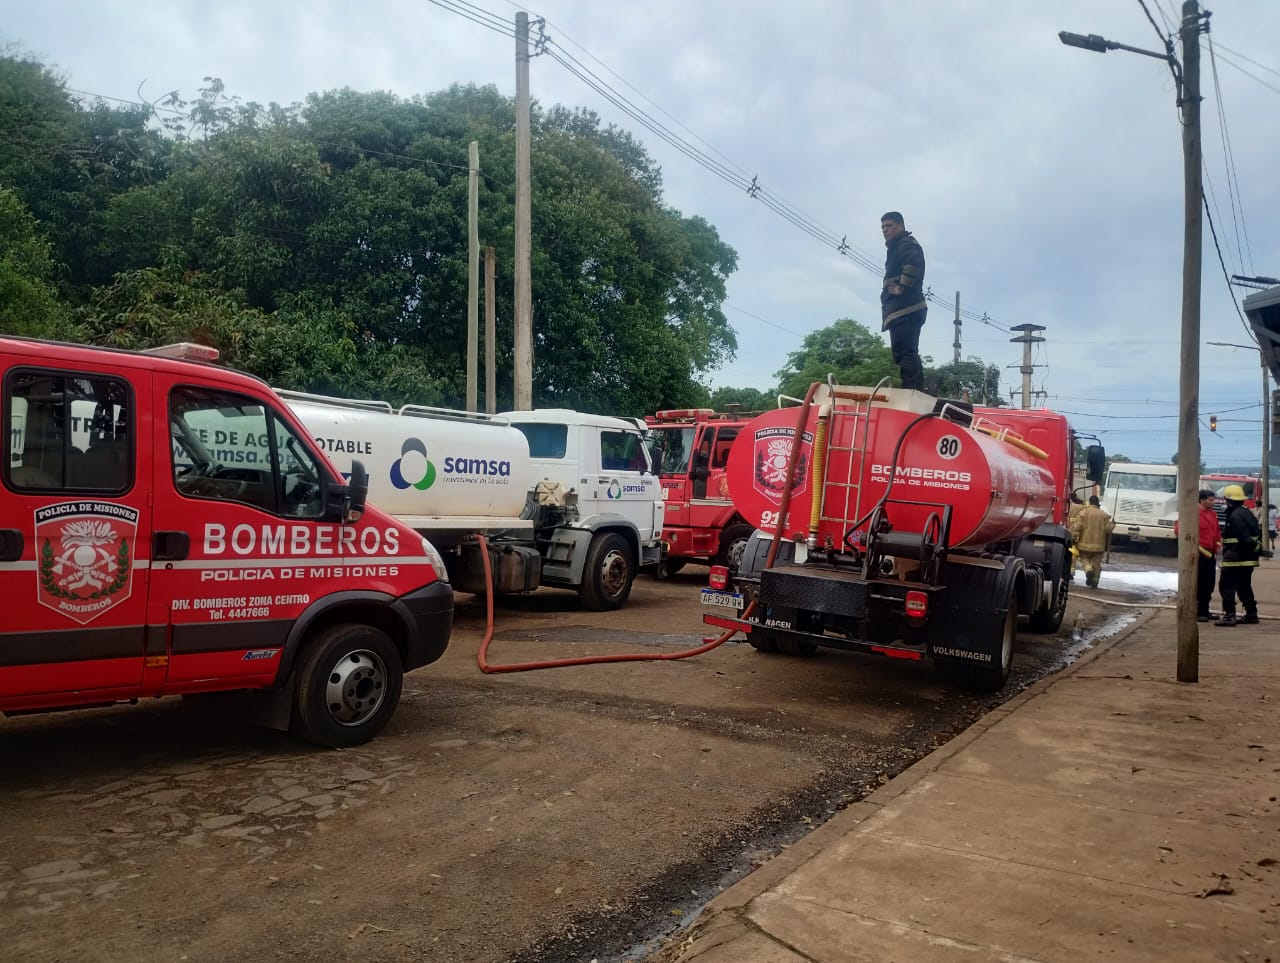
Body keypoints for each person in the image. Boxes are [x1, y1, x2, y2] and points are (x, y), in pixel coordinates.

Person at [880, 211, 927, 391]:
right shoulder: (897, 246)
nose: (885, 230)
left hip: (906, 309)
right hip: (903, 310)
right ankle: (914, 388)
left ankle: (911, 388)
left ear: (900, 225)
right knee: (907, 351)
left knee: (904, 351)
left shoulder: (906, 243)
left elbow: (913, 264)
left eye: (889, 226)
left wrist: (902, 287)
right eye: (883, 227)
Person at [1216, 484, 1264, 626]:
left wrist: (1253, 547)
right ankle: (1251, 614)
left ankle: (1229, 616)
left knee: (1226, 586)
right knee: (1244, 586)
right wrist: (1257, 549)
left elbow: (1244, 539)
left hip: (1235, 559)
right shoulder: (1247, 513)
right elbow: (1256, 534)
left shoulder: (1235, 516)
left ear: (1228, 500)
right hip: (1247, 560)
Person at [1174, 489, 1222, 622]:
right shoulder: (1191, 513)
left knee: (1208, 584)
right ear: (1202, 500)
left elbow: (1217, 532)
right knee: (1198, 584)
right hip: (1198, 555)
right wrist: (1193, 547)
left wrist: (1217, 545)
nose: (1214, 502)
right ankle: (1196, 611)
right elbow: (1179, 530)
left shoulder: (1212, 514)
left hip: (1210, 555)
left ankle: (1205, 611)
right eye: (1211, 500)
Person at [1070, 495, 1114, 589]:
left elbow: (1078, 527)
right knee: (1097, 564)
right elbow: (1108, 529)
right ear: (1098, 503)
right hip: (1099, 546)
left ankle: (1088, 569)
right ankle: (1095, 582)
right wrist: (1113, 524)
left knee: (1084, 559)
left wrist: (1073, 538)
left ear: (1089, 502)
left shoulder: (1083, 513)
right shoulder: (1104, 515)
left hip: (1084, 544)